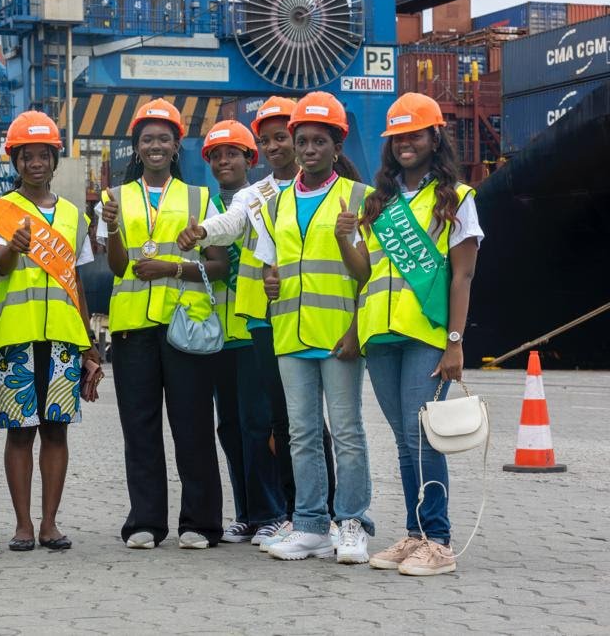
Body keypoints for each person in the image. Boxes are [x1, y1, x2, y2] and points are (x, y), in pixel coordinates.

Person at [177, 99, 338, 550]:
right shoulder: (259, 194)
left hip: (317, 320)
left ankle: (320, 513)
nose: (275, 146)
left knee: (312, 425)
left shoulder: (335, 191)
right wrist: (204, 231)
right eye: (266, 140)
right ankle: (285, 515)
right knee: (272, 423)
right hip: (263, 322)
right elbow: (232, 220)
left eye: (281, 137)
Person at [353, 93, 483, 576]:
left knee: (421, 436)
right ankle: (414, 534)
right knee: (405, 440)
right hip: (379, 335)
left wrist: (455, 341)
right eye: (397, 137)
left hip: (426, 333)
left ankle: (439, 541)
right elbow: (365, 271)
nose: (405, 143)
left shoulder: (458, 199)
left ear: (434, 137)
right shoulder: (377, 203)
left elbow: (462, 277)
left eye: (414, 134)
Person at [96, 98, 229, 550]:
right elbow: (116, 268)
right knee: (140, 427)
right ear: (136, 147)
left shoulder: (201, 197)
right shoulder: (115, 199)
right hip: (133, 328)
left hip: (184, 325)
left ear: (176, 146)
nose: (155, 145)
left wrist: (171, 269)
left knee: (191, 425)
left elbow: (218, 267)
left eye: (163, 138)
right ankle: (146, 523)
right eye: (147, 138)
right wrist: (112, 229)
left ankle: (201, 523)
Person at [256, 91, 375, 564]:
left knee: (346, 431)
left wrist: (356, 330)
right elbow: (272, 266)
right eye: (301, 140)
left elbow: (369, 274)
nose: (308, 149)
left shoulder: (358, 198)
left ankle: (351, 523)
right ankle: (310, 526)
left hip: (339, 334)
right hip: (290, 334)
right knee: (302, 433)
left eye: (319, 141)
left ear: (337, 144)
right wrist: (269, 283)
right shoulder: (276, 203)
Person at [0, 111, 104, 552]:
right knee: (20, 432)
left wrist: (90, 346)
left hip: (65, 339)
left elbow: (78, 282)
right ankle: (22, 525)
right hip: (17, 337)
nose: (35, 163)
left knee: (56, 431)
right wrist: (14, 248)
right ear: (15, 161)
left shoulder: (72, 215)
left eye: (43, 155)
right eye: (26, 156)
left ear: (54, 160)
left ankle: (50, 523)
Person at [175, 119, 289, 549]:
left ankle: (271, 512)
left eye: (233, 154)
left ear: (249, 159)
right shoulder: (205, 207)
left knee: (260, 425)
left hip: (257, 329)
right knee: (231, 429)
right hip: (218, 335)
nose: (224, 161)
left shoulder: (264, 201)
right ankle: (245, 514)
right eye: (216, 155)